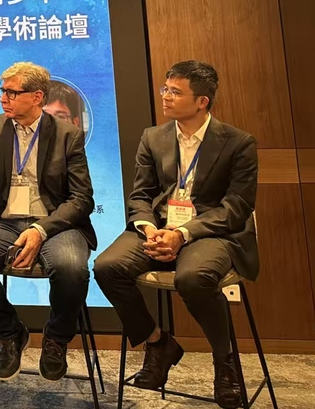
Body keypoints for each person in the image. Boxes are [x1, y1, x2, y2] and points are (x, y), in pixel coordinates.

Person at [93, 61, 257, 409]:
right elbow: (140, 195)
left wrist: (182, 233)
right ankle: (158, 343)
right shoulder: (153, 137)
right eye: (165, 89)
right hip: (158, 227)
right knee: (107, 267)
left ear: (202, 102)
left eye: (175, 92)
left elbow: (236, 207)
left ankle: (225, 361)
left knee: (193, 278)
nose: (165, 97)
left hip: (211, 232)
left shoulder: (238, 142)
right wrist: (150, 228)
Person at [0, 61, 95, 382]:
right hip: (4, 222)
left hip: (55, 224)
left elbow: (81, 198)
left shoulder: (67, 135)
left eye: (12, 92)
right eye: (2, 91)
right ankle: (10, 332)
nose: (3, 98)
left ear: (37, 97)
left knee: (71, 267)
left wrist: (41, 230)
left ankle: (56, 339)